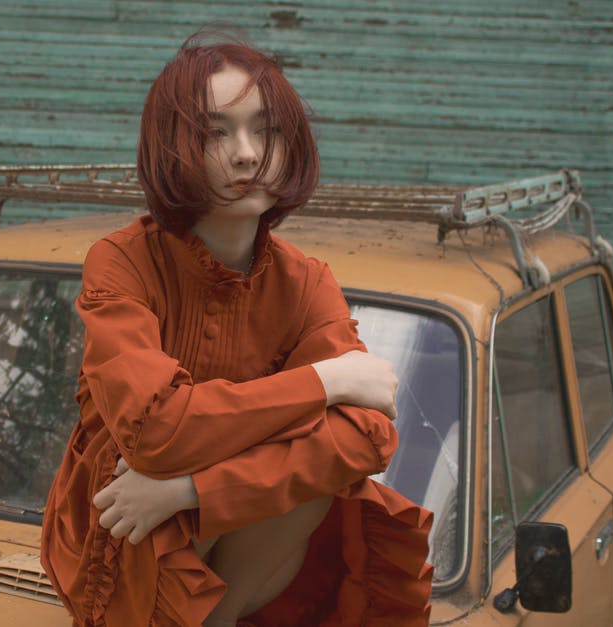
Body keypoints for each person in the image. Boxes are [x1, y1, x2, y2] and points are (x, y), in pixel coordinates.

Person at [40, 29, 433, 626]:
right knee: (174, 491)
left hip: (248, 563)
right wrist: (325, 382)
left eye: (266, 129)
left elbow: (365, 438)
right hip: (125, 540)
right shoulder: (122, 263)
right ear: (172, 144)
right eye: (215, 132)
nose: (247, 154)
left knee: (326, 476)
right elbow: (154, 432)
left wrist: (190, 490)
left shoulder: (305, 281)